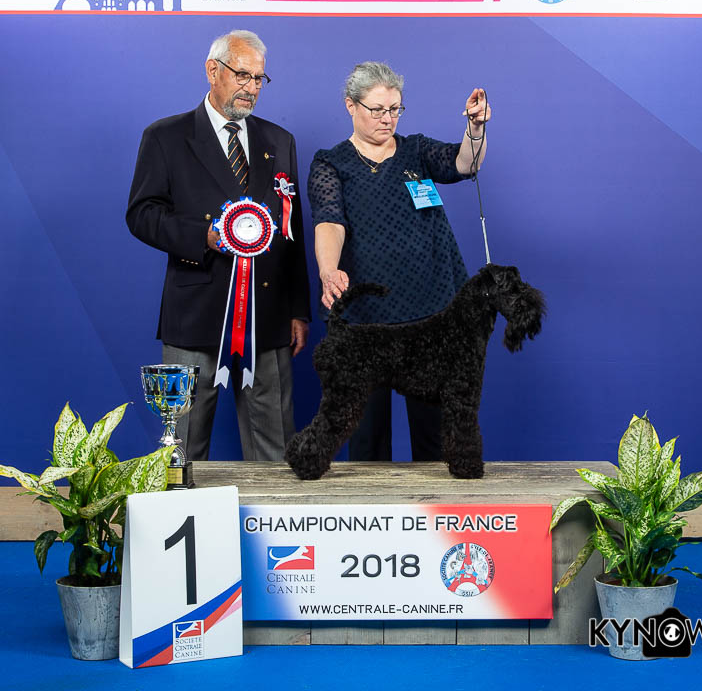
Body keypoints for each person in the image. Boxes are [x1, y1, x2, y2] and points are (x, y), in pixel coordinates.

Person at [127, 29, 311, 461]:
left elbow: (292, 232)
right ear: (213, 70)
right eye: (242, 75)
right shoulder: (165, 136)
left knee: (275, 450)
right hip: (193, 316)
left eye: (259, 79)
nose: (251, 87)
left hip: (268, 317)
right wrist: (204, 235)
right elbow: (142, 214)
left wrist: (298, 310)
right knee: (182, 449)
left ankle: (272, 512)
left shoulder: (280, 141)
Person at [308, 61, 491, 462]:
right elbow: (329, 221)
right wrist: (328, 269)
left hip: (434, 313)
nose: (387, 118)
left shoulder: (417, 150)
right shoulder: (331, 162)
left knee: (437, 438)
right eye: (377, 109)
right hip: (368, 320)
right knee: (367, 440)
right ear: (351, 105)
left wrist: (475, 129)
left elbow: (465, 164)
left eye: (395, 109)